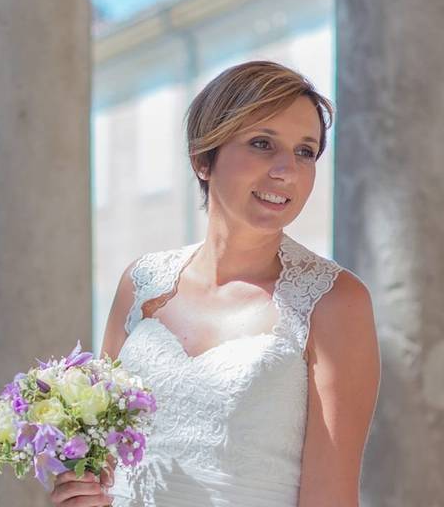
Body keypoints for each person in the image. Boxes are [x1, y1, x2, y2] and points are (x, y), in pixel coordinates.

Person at [51, 61, 379, 507]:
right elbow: (101, 458)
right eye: (263, 144)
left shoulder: (335, 301)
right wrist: (78, 489)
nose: (288, 170)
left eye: (306, 151)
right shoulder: (141, 283)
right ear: (203, 159)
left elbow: (332, 497)